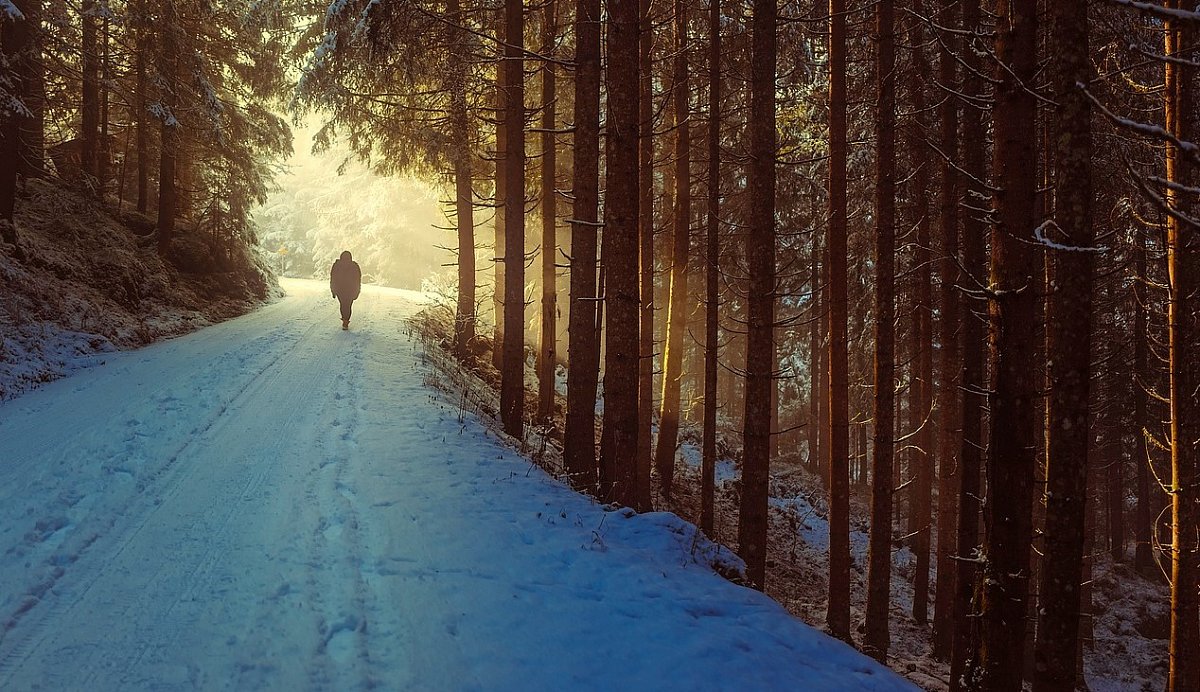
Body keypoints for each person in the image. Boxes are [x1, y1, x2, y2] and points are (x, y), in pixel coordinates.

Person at [329, 250, 362, 330]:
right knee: (348, 305)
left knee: (343, 305)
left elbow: (333, 278)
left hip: (340, 289)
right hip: (350, 290)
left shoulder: (337, 265)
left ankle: (345, 320)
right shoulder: (354, 266)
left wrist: (333, 289)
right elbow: (358, 279)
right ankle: (346, 320)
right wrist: (357, 291)